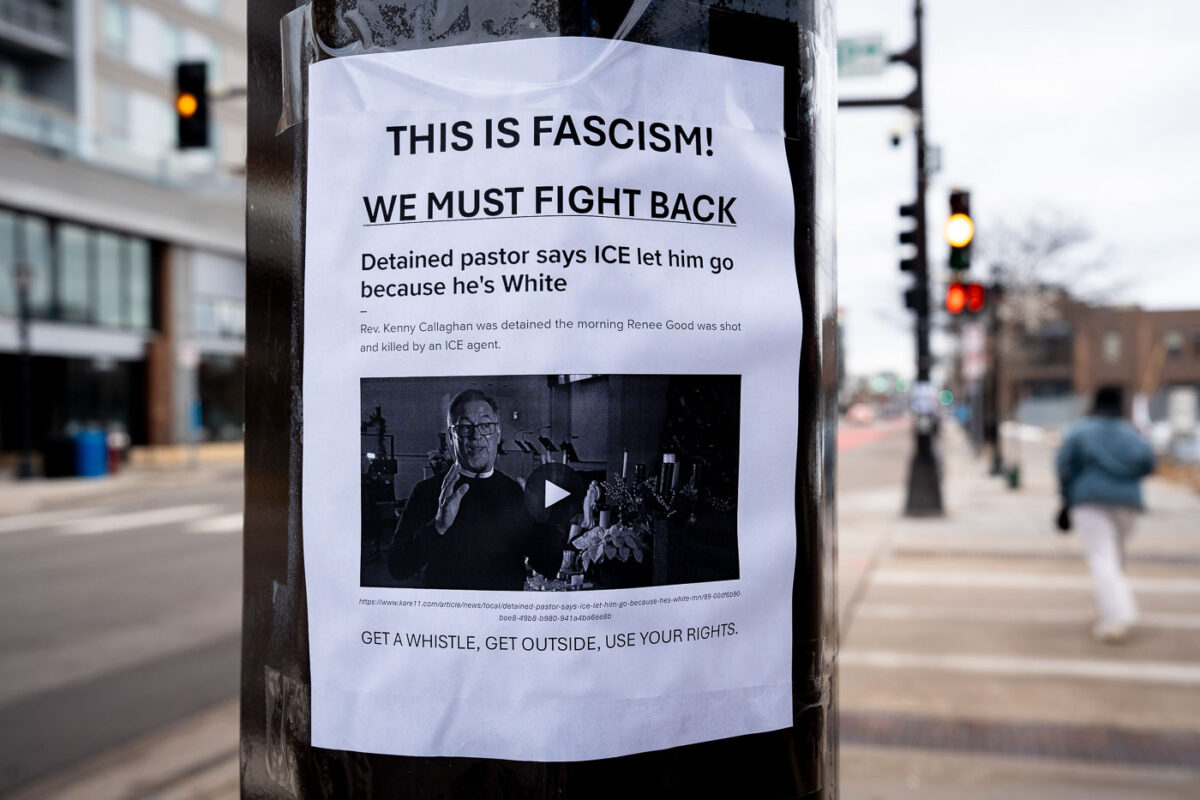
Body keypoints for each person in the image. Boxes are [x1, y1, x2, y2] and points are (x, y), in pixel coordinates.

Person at [388, 389, 563, 590]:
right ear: (450, 437)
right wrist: (438, 526)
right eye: (464, 427)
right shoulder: (427, 491)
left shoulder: (516, 493)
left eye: (486, 425)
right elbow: (397, 567)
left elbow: (549, 566)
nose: (476, 435)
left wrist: (547, 516)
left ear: (498, 434)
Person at [1056, 385, 1155, 643]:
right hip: (1128, 503)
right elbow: (1148, 463)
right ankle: (1108, 607)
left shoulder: (1081, 431)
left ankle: (1118, 615)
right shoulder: (1131, 433)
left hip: (1089, 500)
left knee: (1103, 559)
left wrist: (1066, 497)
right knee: (1115, 559)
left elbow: (1065, 465)